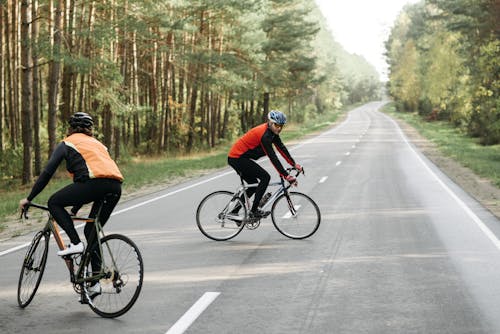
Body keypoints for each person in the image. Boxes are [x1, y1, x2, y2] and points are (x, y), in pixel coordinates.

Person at [19, 112, 123, 297]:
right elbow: (94, 173)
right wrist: (75, 208)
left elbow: (47, 172)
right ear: (90, 129)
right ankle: (94, 283)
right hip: (115, 186)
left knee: (54, 202)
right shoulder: (99, 144)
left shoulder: (68, 142)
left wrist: (30, 198)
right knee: (92, 232)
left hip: (94, 184)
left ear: (71, 128)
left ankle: (75, 243)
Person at [228, 110, 302, 219]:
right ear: (270, 122)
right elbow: (273, 157)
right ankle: (254, 211)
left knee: (253, 185)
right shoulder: (265, 136)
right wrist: (285, 175)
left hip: (241, 158)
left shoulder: (272, 133)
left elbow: (281, 148)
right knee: (265, 177)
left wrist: (294, 164)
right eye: (277, 125)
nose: (279, 128)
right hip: (237, 158)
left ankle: (234, 212)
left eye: (281, 126)